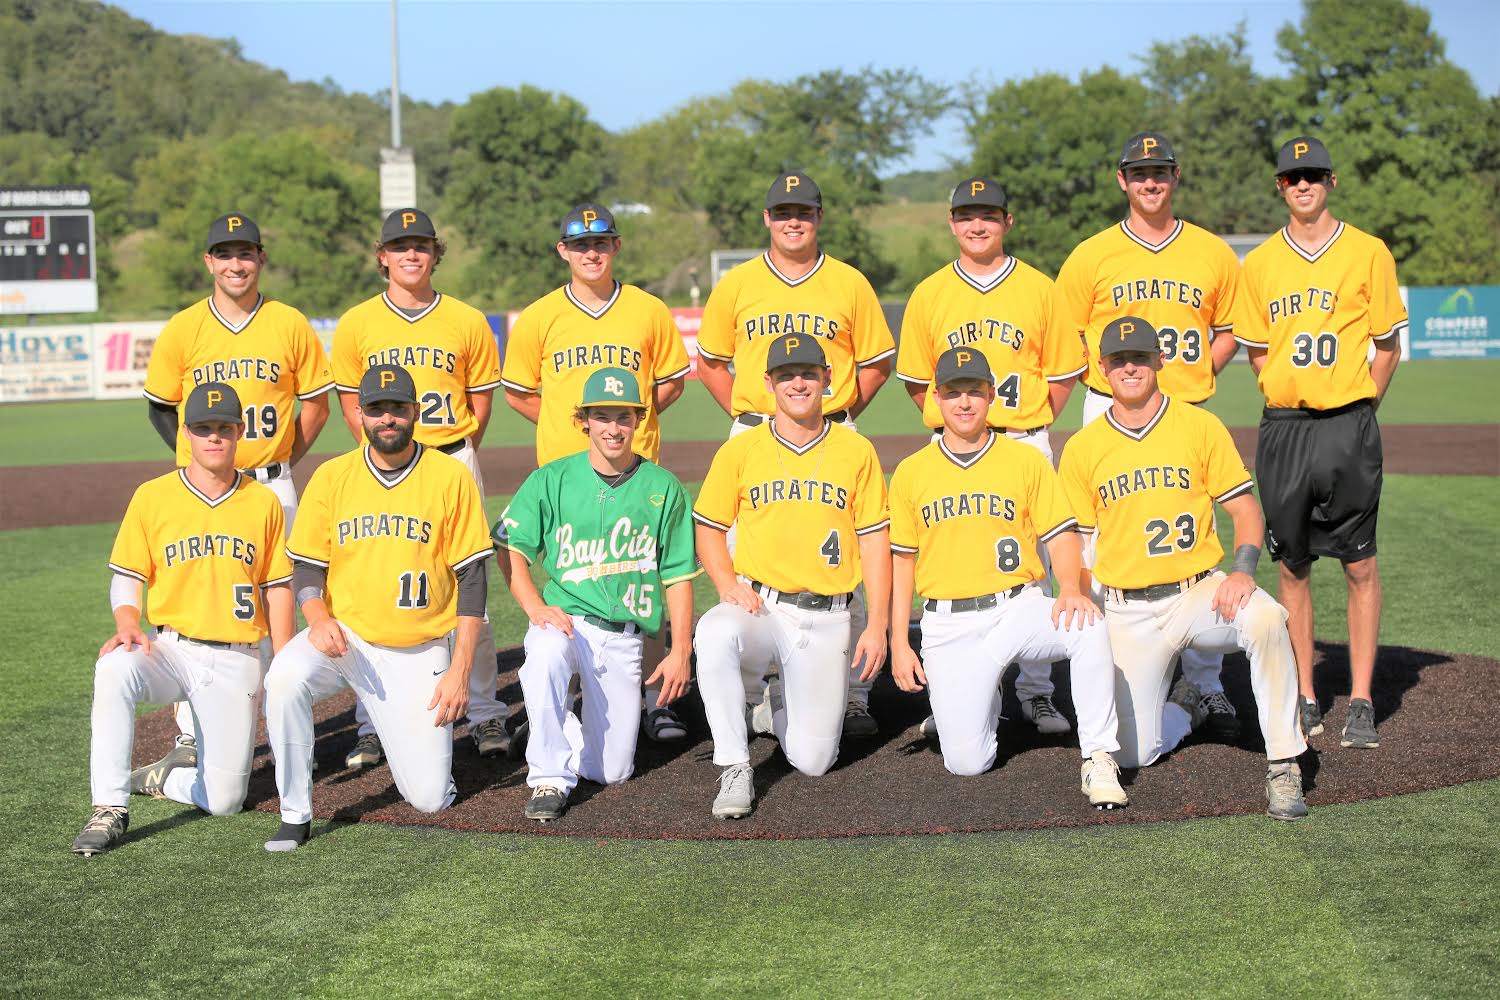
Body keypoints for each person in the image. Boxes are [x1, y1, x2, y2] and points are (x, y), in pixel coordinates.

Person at [1057, 318, 1308, 821]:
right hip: (1128, 607)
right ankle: (1187, 708)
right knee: (1133, 754)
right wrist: (1073, 590)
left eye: (1140, 357)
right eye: (1119, 360)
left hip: (1200, 593)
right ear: (1101, 369)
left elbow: (1244, 511)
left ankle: (1285, 762)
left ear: (1159, 362)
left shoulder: (1198, 425)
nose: (1130, 367)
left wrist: (1241, 571)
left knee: (1266, 618)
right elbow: (1076, 537)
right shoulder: (1084, 446)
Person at [1054, 132, 1245, 738]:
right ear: (1122, 180)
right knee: (1103, 536)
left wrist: (1195, 375)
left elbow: (1230, 328)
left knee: (1199, 539)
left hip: (1185, 412)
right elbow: (1066, 335)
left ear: (1175, 175)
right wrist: (1113, 383)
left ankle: (1206, 683)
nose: (1150, 182)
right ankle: (1114, 656)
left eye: (1159, 171)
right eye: (1139, 173)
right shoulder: (1092, 255)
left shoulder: (1212, 252)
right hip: (1109, 407)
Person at [695, 171, 896, 738]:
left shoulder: (849, 283)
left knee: (844, 561)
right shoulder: (737, 284)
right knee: (744, 566)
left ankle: (853, 693)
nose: (793, 220)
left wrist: (841, 409)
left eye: (803, 211)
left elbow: (877, 361)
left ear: (819, 217)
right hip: (757, 431)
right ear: (766, 219)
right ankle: (757, 684)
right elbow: (710, 361)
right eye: (783, 211)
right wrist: (743, 411)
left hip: (832, 430)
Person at [262, 364, 492, 851]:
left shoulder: (449, 477)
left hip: (418, 648)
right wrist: (317, 616)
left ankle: (395, 727)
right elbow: (306, 567)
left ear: (415, 412)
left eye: (398, 408)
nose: (388, 418)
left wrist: (461, 668)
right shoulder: (332, 477)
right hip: (347, 638)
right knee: (284, 676)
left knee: (430, 798)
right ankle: (295, 813)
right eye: (376, 409)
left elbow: (473, 580)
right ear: (360, 415)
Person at [888, 348, 1125, 807]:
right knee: (967, 763)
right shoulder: (912, 472)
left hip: (1017, 607)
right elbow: (902, 562)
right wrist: (899, 640)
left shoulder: (1025, 460)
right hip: (949, 624)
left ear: (991, 396)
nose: (963, 403)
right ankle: (977, 697)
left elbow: (1060, 535)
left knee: (1088, 625)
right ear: (935, 399)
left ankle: (1098, 754)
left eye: (974, 391)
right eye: (953, 392)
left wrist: (1072, 589)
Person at [896, 176, 1089, 738]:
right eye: (966, 215)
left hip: (1023, 437)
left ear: (1008, 221)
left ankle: (1036, 690)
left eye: (989, 214)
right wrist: (954, 421)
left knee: (1038, 567)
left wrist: (1029, 423)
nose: (977, 225)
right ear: (952, 223)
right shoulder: (931, 293)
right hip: (952, 442)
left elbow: (1061, 376)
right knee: (954, 554)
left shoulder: (1038, 287)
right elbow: (917, 383)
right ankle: (957, 687)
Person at [1234, 137, 1407, 749]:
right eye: (1291, 178)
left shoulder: (1367, 252)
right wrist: (1293, 395)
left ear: (1330, 181)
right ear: (1280, 187)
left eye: (1312, 175)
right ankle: (1307, 693)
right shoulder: (1259, 264)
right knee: (1293, 564)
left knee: (1359, 562)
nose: (1302, 185)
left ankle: (1360, 698)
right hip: (1286, 427)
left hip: (1348, 425)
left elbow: (1387, 346)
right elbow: (1258, 352)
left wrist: (1361, 406)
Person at [72, 383, 294, 856]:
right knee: (115, 667)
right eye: (202, 428)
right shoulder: (153, 497)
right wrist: (128, 618)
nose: (214, 437)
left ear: (239, 433)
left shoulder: (263, 502)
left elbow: (277, 589)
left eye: (224, 428)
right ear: (186, 435)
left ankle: (165, 776)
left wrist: (284, 661)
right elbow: (126, 575)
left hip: (237, 659)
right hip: (169, 649)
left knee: (226, 801)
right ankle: (108, 807)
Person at [141, 211, 332, 755]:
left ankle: (285, 722)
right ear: (209, 262)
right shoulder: (184, 328)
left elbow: (315, 405)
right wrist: (201, 465)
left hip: (272, 486)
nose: (235, 264)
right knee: (198, 602)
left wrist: (283, 457)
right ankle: (189, 733)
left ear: (261, 259)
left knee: (283, 603)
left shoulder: (288, 323)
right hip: (202, 492)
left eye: (245, 253)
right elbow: (160, 407)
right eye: (224, 254)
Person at [501, 203, 693, 744]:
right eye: (581, 244)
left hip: (636, 470)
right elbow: (517, 392)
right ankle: (556, 701)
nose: (591, 252)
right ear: (563, 250)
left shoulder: (648, 311)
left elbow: (672, 384)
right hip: (563, 475)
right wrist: (579, 431)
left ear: (617, 247)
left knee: (645, 575)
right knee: (567, 578)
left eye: (602, 242)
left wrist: (622, 428)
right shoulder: (539, 316)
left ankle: (657, 697)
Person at [329, 208, 507, 766]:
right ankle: (371, 722)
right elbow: (350, 405)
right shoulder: (357, 323)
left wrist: (452, 454)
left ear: (435, 253)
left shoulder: (467, 319)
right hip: (380, 465)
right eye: (400, 246)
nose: (411, 255)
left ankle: (484, 711)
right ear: (381, 255)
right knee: (373, 583)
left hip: (451, 458)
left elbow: (479, 405)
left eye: (421, 245)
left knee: (470, 582)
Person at [692, 333, 891, 819]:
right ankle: (735, 764)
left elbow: (873, 542)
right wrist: (726, 585)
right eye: (786, 374)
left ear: (828, 378)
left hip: (829, 615)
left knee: (815, 760)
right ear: (768, 383)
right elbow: (708, 526)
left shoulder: (855, 450)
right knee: (715, 631)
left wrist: (879, 623)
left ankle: (775, 699)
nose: (797, 383)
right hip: (764, 607)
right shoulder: (742, 450)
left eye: (807, 373)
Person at [497, 368, 700, 822]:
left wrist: (681, 648)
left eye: (623, 417)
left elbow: (679, 575)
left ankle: (549, 721)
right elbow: (509, 543)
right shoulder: (552, 479)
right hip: (565, 622)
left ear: (638, 421)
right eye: (602, 416)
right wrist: (534, 606)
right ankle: (547, 776)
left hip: (624, 635)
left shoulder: (663, 487)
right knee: (546, 654)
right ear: (583, 420)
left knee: (611, 771)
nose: (613, 428)